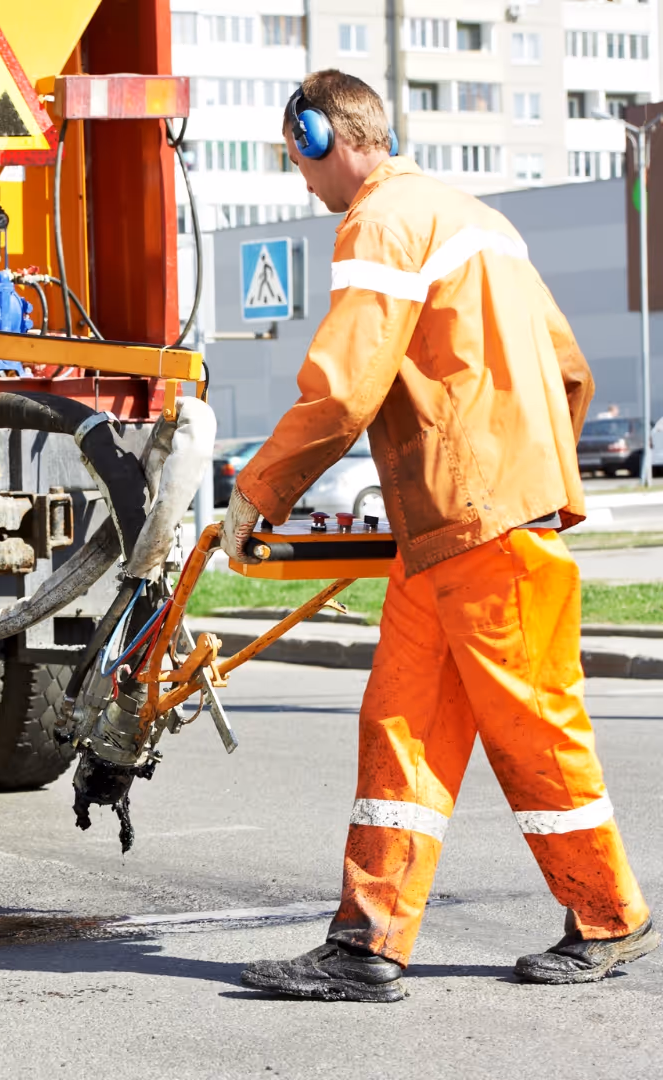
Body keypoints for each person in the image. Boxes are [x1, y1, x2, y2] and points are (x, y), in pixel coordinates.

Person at [223, 70, 657, 1003]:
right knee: (400, 727)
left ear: (316, 137)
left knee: (532, 725)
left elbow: (345, 386)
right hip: (456, 526)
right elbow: (570, 370)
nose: (301, 182)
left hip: (480, 521)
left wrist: (256, 492)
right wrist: (530, 468)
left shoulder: (380, 220)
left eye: (296, 159)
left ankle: (610, 917)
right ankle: (368, 942)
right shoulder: (481, 220)